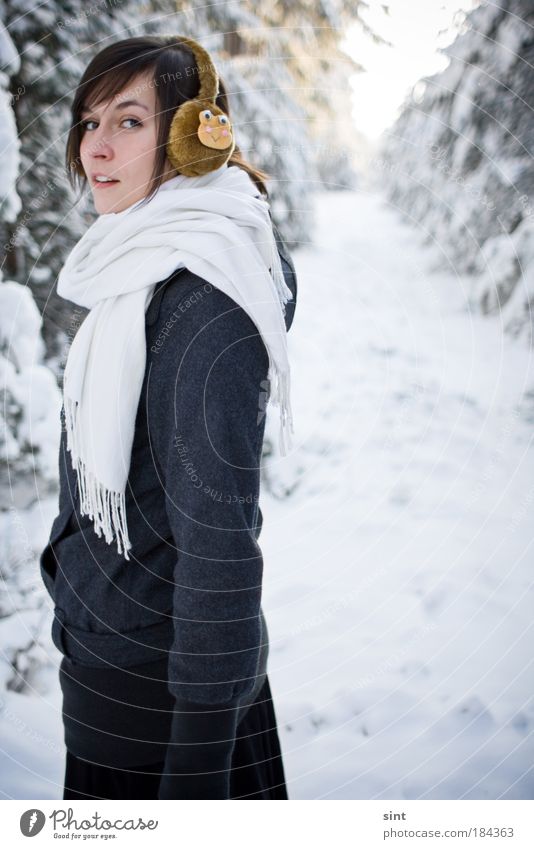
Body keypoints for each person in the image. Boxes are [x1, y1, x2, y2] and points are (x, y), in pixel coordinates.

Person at [38, 34, 298, 800]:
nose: (97, 148)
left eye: (128, 121)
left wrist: (198, 772)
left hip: (163, 707)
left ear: (190, 136)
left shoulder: (204, 298)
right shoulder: (145, 264)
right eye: (89, 123)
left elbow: (220, 543)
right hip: (121, 667)